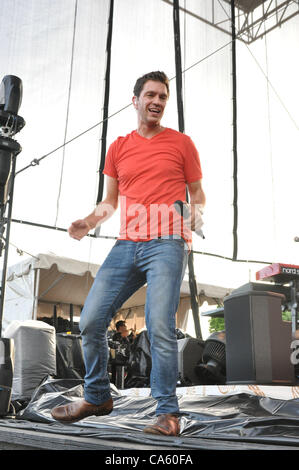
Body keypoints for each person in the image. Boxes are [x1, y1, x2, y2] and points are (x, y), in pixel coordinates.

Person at [51, 71, 205, 436]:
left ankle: (167, 414)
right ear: (134, 100)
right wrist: (89, 221)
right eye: (150, 94)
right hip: (127, 244)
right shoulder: (118, 147)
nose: (157, 101)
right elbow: (109, 202)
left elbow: (197, 193)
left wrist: (194, 213)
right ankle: (98, 396)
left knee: (160, 326)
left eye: (163, 97)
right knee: (89, 321)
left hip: (167, 241)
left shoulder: (182, 144)